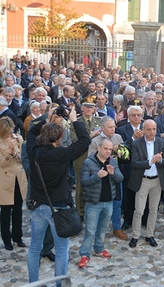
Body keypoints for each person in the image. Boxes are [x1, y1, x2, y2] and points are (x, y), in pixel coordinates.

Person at [26, 107, 91, 286]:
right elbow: (85, 140)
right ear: (60, 138)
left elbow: (31, 132)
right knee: (62, 249)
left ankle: (33, 282)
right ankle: (60, 284)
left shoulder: (34, 150)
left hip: (37, 206)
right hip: (58, 208)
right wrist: (74, 120)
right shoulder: (61, 153)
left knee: (35, 247)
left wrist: (46, 120)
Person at [78, 138, 124, 268]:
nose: (108, 151)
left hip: (108, 201)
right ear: (99, 148)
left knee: (102, 229)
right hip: (93, 203)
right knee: (90, 230)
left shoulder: (112, 161)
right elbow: (84, 182)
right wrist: (97, 176)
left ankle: (99, 249)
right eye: (106, 148)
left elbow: (120, 178)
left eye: (110, 149)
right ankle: (85, 254)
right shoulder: (88, 162)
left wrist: (113, 173)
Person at [128, 120, 164, 248]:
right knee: (139, 210)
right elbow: (134, 163)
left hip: (157, 180)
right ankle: (135, 236)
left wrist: (160, 160)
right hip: (143, 180)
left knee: (153, 210)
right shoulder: (136, 144)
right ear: (144, 130)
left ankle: (149, 235)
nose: (152, 132)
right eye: (149, 129)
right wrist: (150, 161)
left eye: (154, 129)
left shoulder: (161, 142)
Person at [0, 117, 27, 251]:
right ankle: (6, 238)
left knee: (18, 210)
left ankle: (18, 236)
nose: (11, 134)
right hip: (5, 180)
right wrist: (9, 153)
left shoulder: (17, 139)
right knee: (5, 212)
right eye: (9, 131)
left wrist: (14, 150)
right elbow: (2, 163)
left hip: (18, 178)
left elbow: (21, 159)